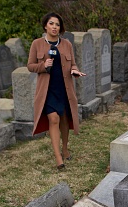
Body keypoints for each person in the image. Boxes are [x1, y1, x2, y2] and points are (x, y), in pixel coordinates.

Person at [27, 12, 86, 170]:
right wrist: (43, 65)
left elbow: (72, 64)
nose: (54, 27)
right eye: (51, 23)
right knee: (53, 119)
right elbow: (30, 66)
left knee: (65, 119)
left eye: (57, 24)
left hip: (64, 88)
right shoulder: (37, 44)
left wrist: (75, 71)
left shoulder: (66, 44)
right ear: (45, 25)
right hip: (47, 90)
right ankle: (58, 157)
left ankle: (65, 148)